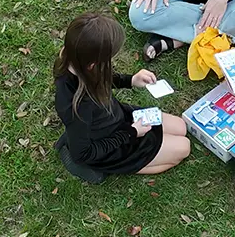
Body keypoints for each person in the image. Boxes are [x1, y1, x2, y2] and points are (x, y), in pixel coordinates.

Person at [53, 12, 191, 183]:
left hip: (118, 117)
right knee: (183, 148)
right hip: (113, 144)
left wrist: (131, 80)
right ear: (92, 65)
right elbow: (82, 153)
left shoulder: (71, 58)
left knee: (181, 127)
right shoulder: (79, 107)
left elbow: (100, 77)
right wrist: (132, 132)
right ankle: (104, 168)